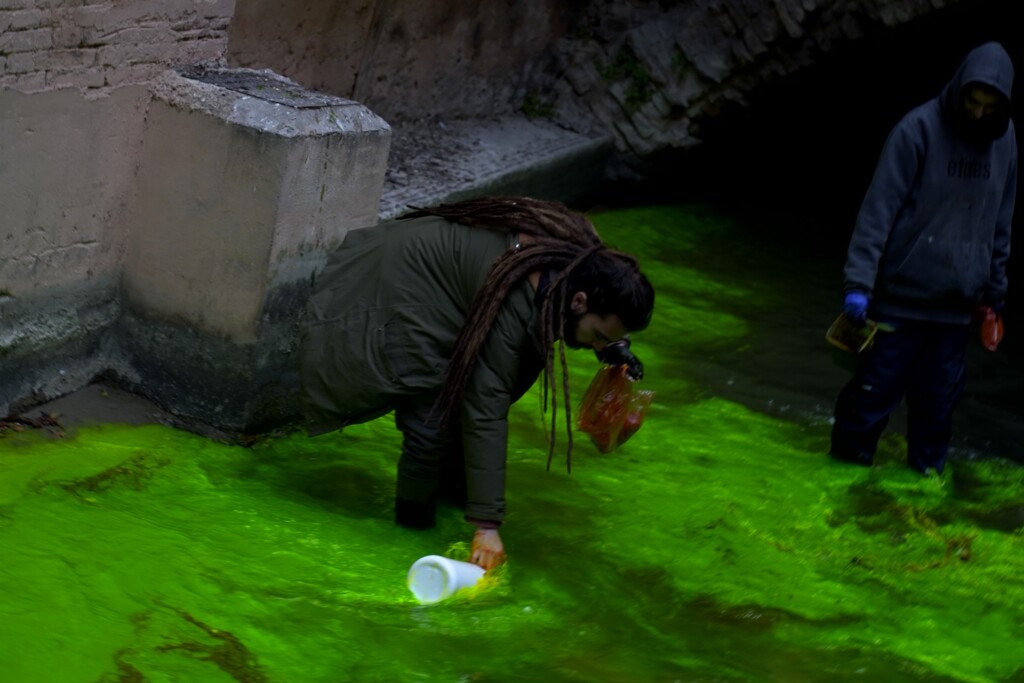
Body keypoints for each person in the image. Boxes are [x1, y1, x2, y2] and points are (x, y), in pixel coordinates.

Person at [299, 196, 655, 569]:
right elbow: (487, 407)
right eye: (599, 336)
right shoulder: (513, 298)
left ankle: (450, 503)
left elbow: (571, 332)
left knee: (454, 415)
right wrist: (488, 524)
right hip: (402, 287)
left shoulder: (582, 269)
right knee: (430, 426)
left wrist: (613, 350)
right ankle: (409, 534)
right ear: (580, 302)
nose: (597, 345)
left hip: (431, 276)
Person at [830, 41, 1017, 475]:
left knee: (936, 417)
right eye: (972, 102)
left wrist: (994, 289)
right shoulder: (916, 131)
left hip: (954, 312)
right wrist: (858, 284)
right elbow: (877, 212)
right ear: (959, 90)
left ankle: (925, 490)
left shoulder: (1006, 142)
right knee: (869, 405)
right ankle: (843, 479)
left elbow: (1001, 219)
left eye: (989, 107)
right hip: (896, 307)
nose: (977, 114)